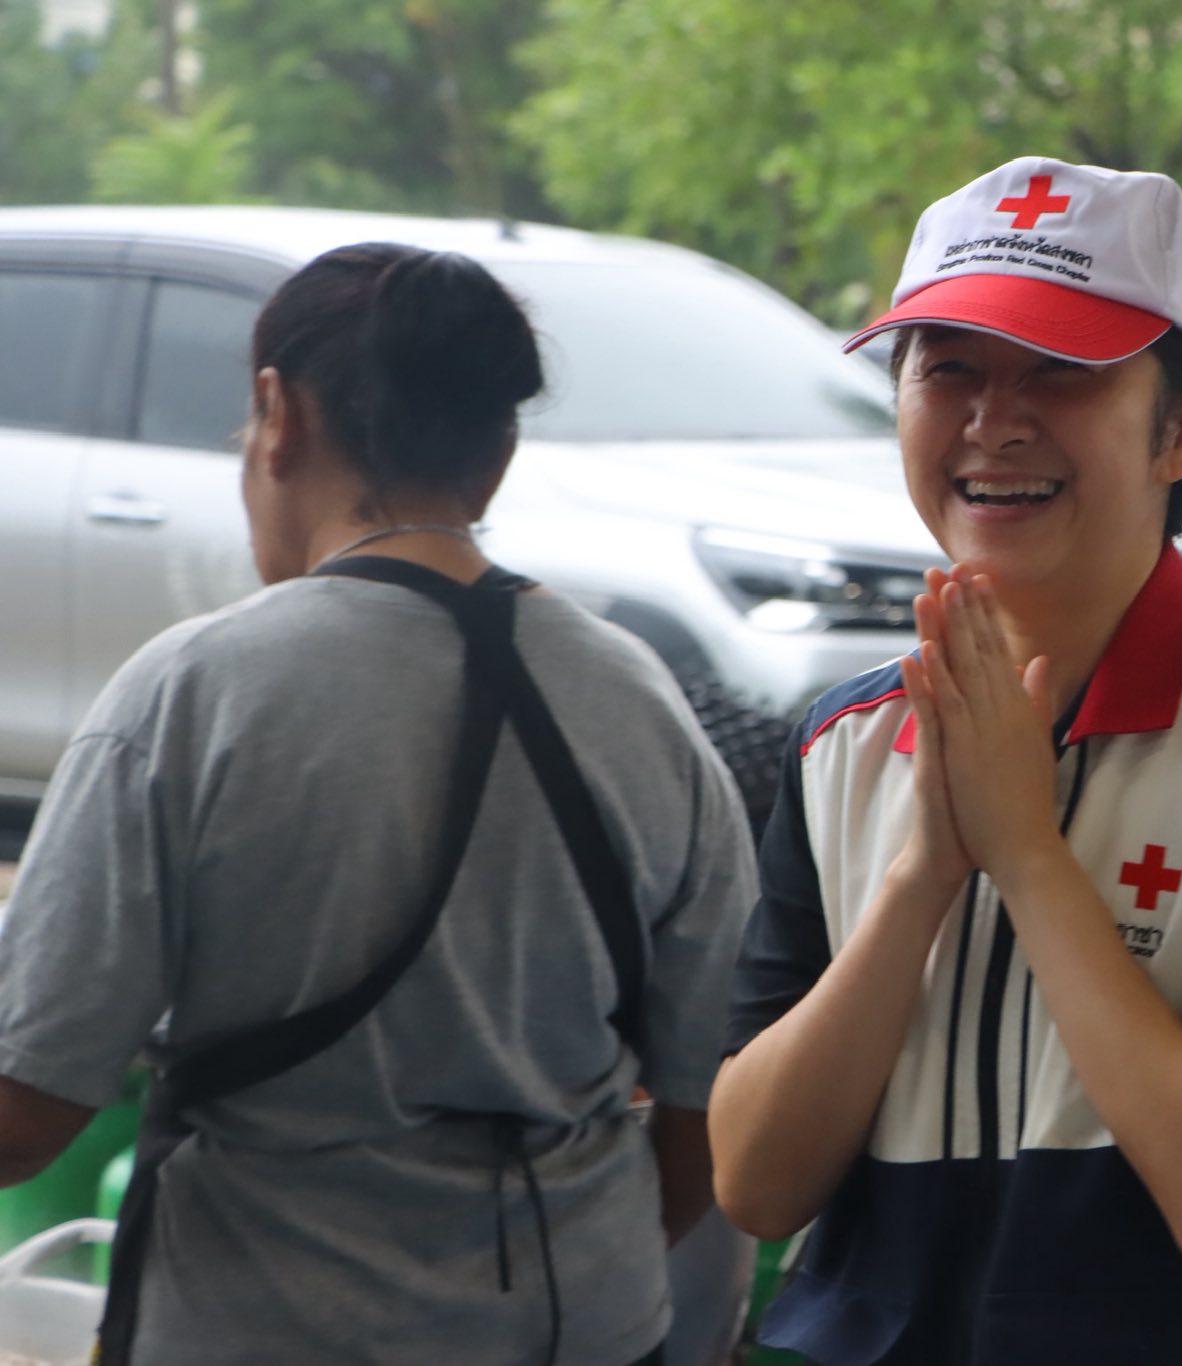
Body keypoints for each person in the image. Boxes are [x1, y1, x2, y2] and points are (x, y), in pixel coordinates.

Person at [709, 157, 1182, 1365]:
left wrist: (1029, 855)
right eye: (947, 369)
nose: (992, 421)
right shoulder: (842, 743)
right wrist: (921, 875)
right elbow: (756, 1181)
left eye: (1060, 370)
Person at [0, 244, 754, 1365]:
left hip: (262, 1328)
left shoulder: (191, 692)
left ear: (278, 415)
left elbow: (26, 1115)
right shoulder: (642, 702)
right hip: (579, 1324)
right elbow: (710, 1114)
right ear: (497, 454)